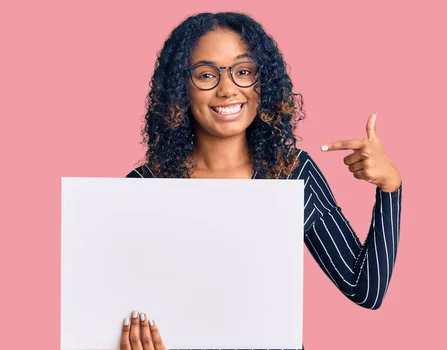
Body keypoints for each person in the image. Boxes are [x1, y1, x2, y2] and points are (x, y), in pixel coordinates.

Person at [121, 11, 403, 350]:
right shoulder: (143, 188)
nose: (227, 90)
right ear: (179, 88)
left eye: (243, 72)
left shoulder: (291, 172)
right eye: (206, 74)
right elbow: (118, 311)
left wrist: (390, 188)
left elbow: (365, 289)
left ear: (262, 83)